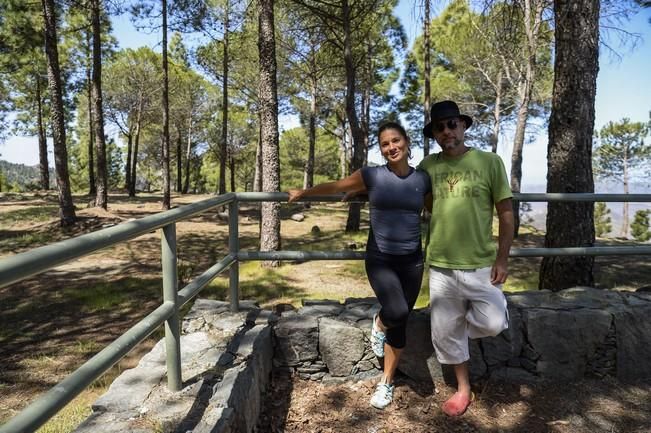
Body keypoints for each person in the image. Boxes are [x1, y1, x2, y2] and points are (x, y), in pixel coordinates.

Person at [287, 121, 431, 410]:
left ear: (406, 141)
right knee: (397, 311)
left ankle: (386, 383)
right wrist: (304, 194)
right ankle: (379, 323)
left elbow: (427, 206)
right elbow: (337, 186)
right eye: (385, 144)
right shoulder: (372, 175)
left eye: (395, 141)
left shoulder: (423, 179)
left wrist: (363, 195)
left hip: (413, 260)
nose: (391, 147)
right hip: (381, 259)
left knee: (401, 323)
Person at [419, 100, 514, 417]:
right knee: (445, 332)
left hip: (480, 266)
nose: (447, 130)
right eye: (439, 127)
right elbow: (424, 201)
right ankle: (463, 389)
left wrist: (502, 258)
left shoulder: (489, 162)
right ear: (434, 133)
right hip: (442, 267)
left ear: (462, 126)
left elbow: (506, 212)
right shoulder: (428, 167)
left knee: (494, 322)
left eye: (452, 124)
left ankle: (457, 329)